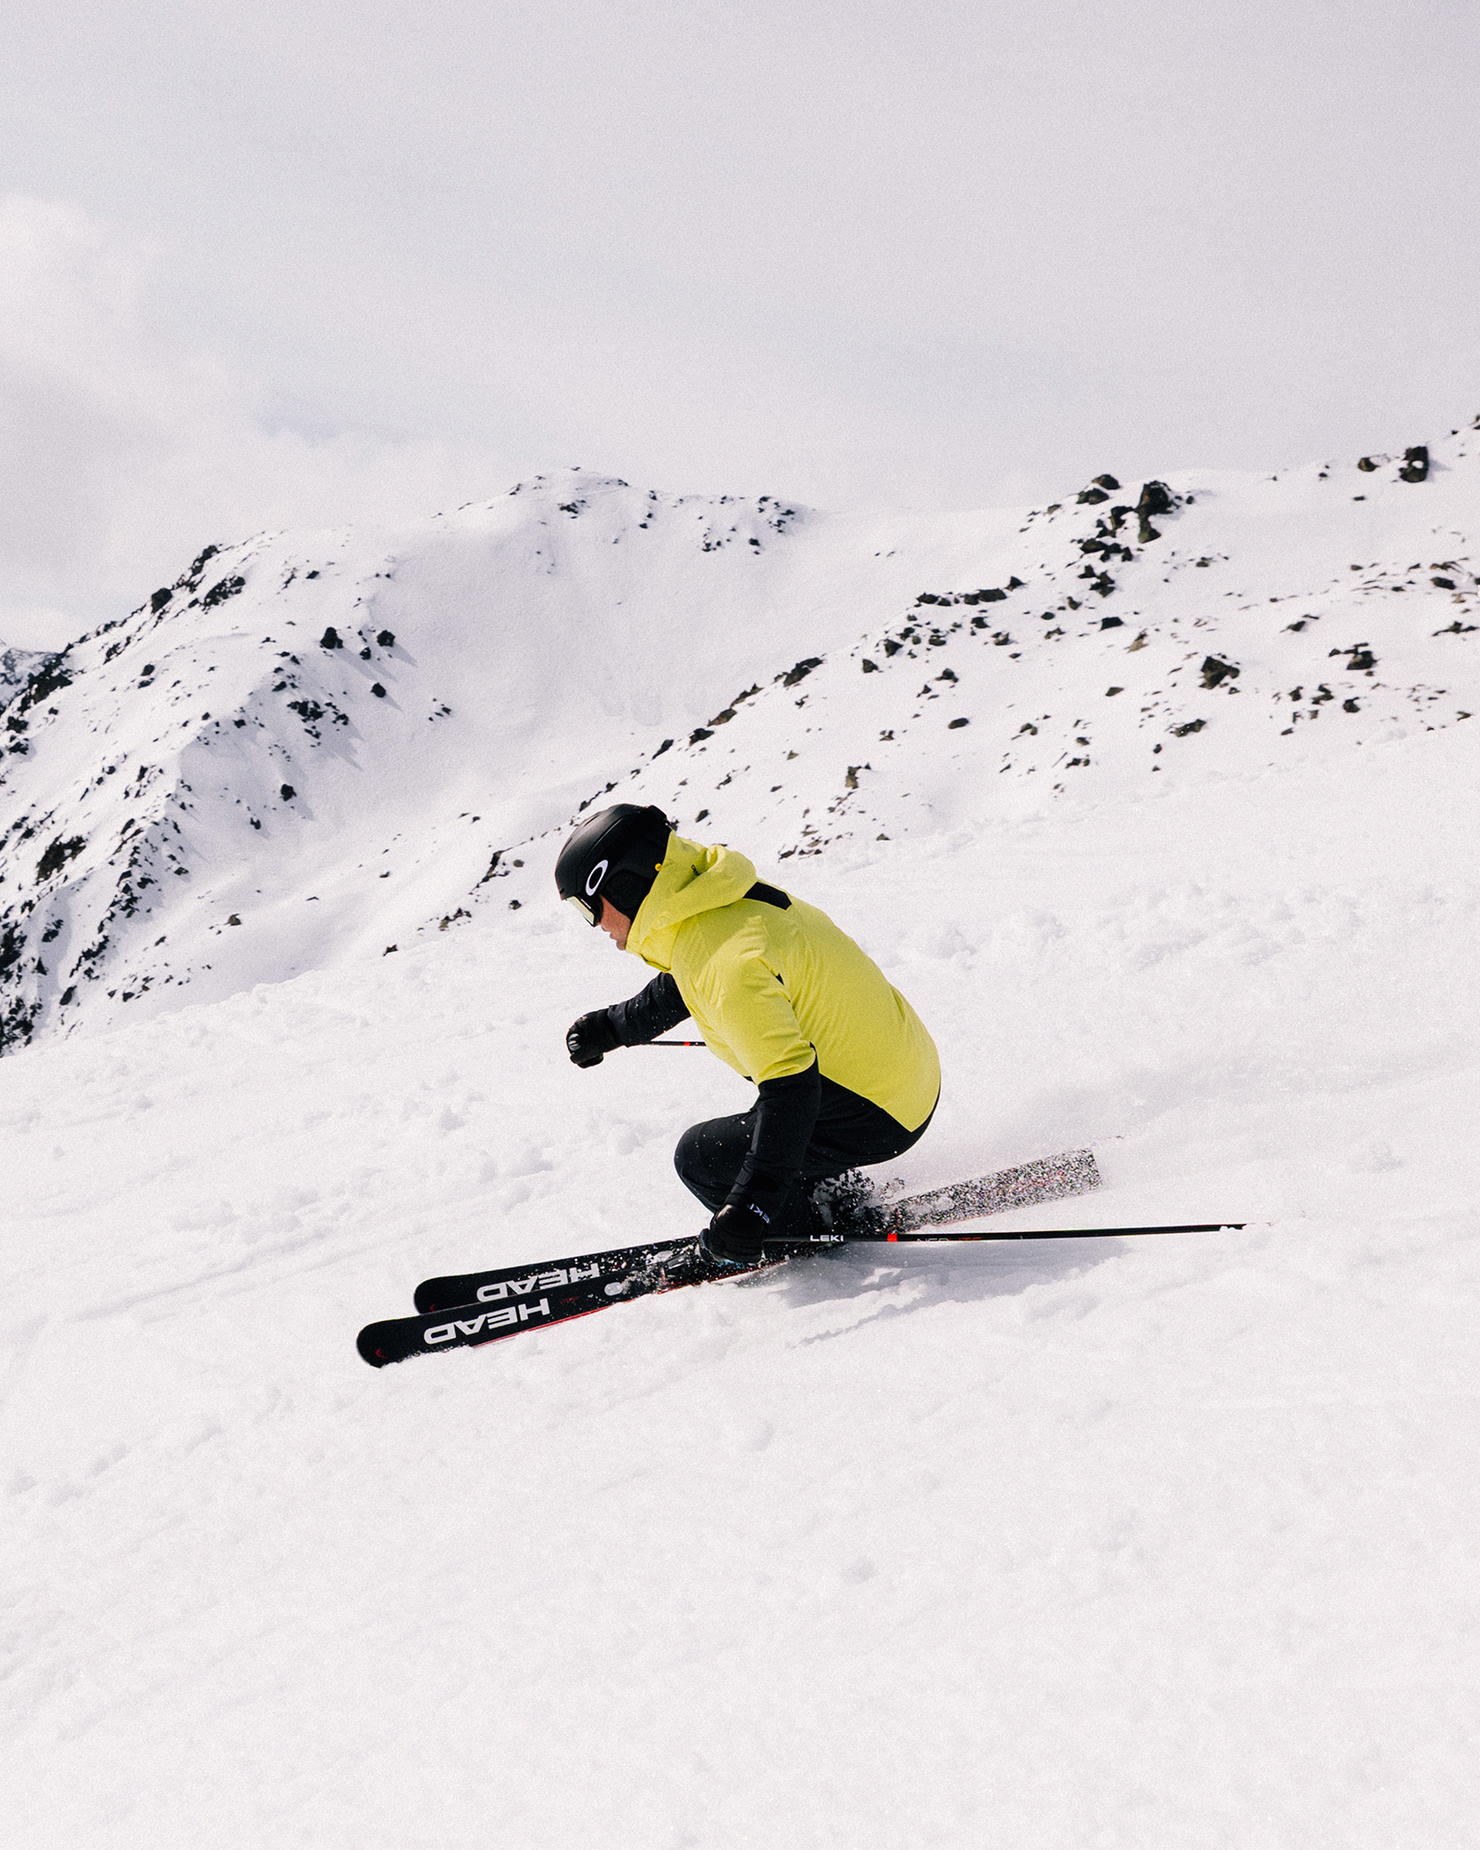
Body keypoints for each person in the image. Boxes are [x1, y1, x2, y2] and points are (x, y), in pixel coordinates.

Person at [555, 803, 940, 1264]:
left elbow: (791, 1091)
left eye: (586, 908)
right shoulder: (719, 903)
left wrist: (750, 1210)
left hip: (876, 1114)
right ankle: (825, 1185)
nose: (594, 924)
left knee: (701, 1158)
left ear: (622, 884)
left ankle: (798, 1231)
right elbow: (686, 980)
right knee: (763, 1124)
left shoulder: (722, 963)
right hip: (907, 1074)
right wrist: (612, 1027)